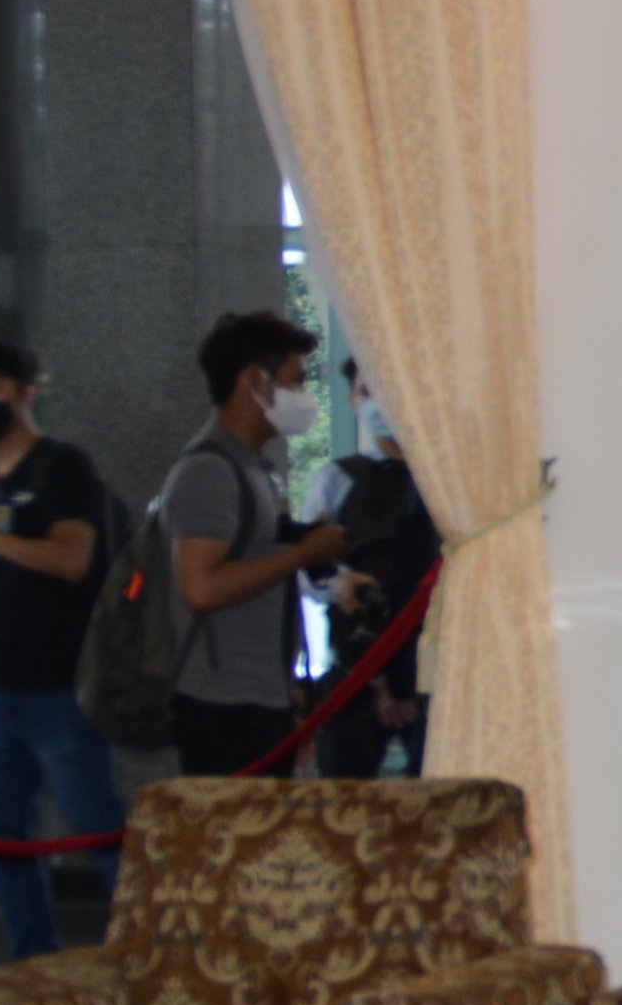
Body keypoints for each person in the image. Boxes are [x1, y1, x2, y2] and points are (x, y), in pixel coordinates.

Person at [0, 333, 119, 960]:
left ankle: (148, 953)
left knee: (98, 832)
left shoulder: (61, 467)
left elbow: (70, 559)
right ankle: (36, 960)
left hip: (61, 686)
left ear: (24, 394)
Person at [161, 310, 343, 780]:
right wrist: (300, 555)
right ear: (255, 382)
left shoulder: (256, 469)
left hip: (262, 695)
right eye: (295, 381)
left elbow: (256, 560)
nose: (304, 396)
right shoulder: (208, 471)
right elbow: (200, 587)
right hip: (221, 706)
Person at [310, 366, 440, 779]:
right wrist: (337, 585)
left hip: (431, 669)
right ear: (352, 400)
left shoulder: (444, 480)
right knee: (342, 797)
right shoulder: (336, 478)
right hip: (355, 666)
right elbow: (306, 568)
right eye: (367, 391)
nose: (379, 402)